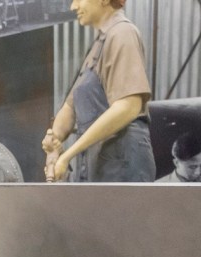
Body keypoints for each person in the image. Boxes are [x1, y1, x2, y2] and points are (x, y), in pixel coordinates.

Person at [42, 0, 155, 182]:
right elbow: (70, 107)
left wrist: (68, 154)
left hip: (122, 167)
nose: (73, 6)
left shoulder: (122, 33)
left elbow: (128, 106)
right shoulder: (99, 44)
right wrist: (54, 140)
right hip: (100, 165)